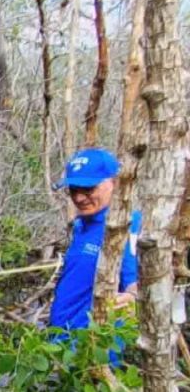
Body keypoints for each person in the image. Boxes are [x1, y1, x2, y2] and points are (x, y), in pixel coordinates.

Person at [50, 147, 140, 363]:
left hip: (93, 354)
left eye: (88, 189)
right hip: (59, 346)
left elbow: (136, 283)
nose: (79, 198)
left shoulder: (125, 226)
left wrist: (134, 299)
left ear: (114, 183)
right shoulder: (83, 224)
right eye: (73, 189)